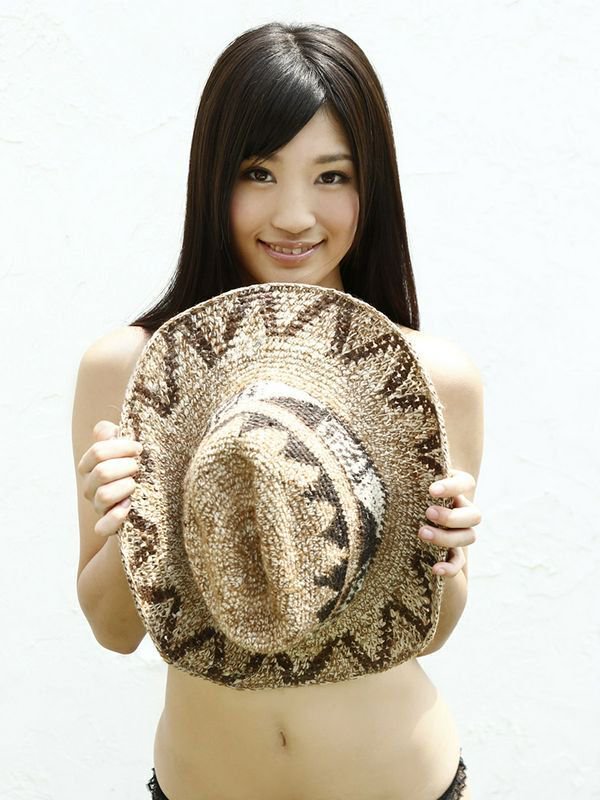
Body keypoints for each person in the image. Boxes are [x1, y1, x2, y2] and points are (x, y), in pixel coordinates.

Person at [72, 21, 484, 800]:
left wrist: (448, 557)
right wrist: (129, 520)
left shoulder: (428, 377)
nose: (295, 215)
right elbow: (113, 630)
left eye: (332, 176)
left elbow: (426, 631)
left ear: (372, 188)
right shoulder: (133, 371)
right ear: (213, 179)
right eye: (259, 172)